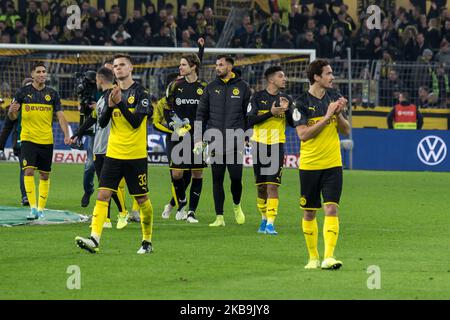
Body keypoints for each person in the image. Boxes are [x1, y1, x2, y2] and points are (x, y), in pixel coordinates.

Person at [75, 54, 154, 254]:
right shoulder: (109, 94)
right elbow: (101, 123)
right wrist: (111, 106)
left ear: (131, 68)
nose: (118, 68)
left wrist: (119, 104)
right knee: (103, 193)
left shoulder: (142, 93)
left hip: (135, 155)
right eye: (116, 66)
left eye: (122, 65)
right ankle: (94, 239)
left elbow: (136, 122)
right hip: (113, 152)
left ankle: (146, 241)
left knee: (142, 198)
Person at [290, 59, 350, 270]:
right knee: (309, 212)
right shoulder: (300, 103)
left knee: (331, 208)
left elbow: (346, 131)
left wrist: (339, 114)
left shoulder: (333, 97)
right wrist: (326, 116)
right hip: (310, 166)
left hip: (333, 164)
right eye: (328, 73)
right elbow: (303, 135)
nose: (332, 77)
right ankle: (313, 257)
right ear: (316, 77)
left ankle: (329, 257)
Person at [8, 62, 70, 219]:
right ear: (33, 74)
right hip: (28, 139)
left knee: (44, 175)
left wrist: (66, 134)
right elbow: (13, 117)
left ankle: (41, 209)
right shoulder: (22, 92)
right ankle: (33, 208)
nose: (42, 74)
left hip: (46, 140)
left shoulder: (53, 94)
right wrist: (11, 112)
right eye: (39, 72)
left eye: (44, 71)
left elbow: (61, 116)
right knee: (28, 171)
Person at [71, 67, 131, 229]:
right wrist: (77, 134)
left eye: (96, 80)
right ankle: (107, 219)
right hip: (99, 146)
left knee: (108, 183)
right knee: (104, 185)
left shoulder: (114, 95)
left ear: (100, 79)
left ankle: (123, 212)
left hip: (110, 145)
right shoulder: (103, 97)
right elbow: (92, 119)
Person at [195, 55, 251, 227]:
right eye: (216, 65)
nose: (217, 68)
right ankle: (219, 216)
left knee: (235, 178)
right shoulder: (211, 88)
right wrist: (198, 138)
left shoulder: (243, 87)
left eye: (220, 65)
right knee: (217, 179)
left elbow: (249, 115)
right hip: (215, 141)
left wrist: (247, 136)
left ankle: (236, 205)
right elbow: (201, 114)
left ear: (230, 66)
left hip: (235, 141)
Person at [246, 66, 294, 235]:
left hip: (276, 146)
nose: (285, 79)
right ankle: (264, 218)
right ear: (271, 79)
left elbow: (294, 123)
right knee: (261, 187)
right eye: (281, 76)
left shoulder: (286, 98)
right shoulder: (257, 97)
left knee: (273, 185)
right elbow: (250, 120)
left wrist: (287, 112)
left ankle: (271, 223)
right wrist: (271, 113)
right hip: (258, 145)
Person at [163, 54, 207, 223]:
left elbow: (208, 112)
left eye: (183, 64)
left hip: (198, 136)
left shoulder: (204, 87)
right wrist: (175, 125)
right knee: (176, 174)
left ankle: (191, 212)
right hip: (177, 135)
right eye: (180, 64)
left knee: (197, 173)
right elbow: (166, 108)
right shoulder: (174, 86)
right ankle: (181, 202)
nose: (180, 67)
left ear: (193, 66)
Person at [0, 78, 33, 206]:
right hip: (21, 141)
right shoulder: (14, 107)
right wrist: (1, 146)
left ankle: (34, 195)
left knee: (38, 171)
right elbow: (7, 127)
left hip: (38, 140)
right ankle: (25, 196)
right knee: (24, 168)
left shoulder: (40, 104)